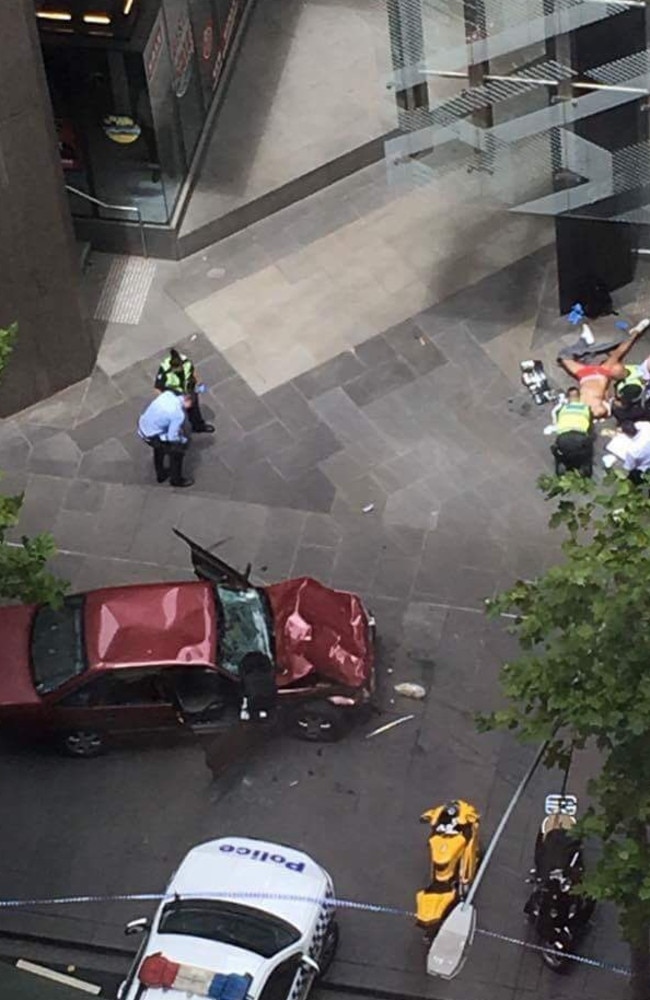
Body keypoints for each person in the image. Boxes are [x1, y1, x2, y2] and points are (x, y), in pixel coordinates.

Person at [557, 318, 650, 418]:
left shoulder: (579, 407)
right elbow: (606, 410)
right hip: (600, 374)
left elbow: (573, 394)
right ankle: (636, 331)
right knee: (618, 352)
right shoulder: (597, 410)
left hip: (585, 376)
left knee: (563, 357)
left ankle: (584, 342)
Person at [137, 390, 194, 487]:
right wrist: (182, 440)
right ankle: (176, 480)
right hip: (153, 436)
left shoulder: (167, 395)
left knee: (159, 451)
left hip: (143, 427)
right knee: (177, 452)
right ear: (188, 401)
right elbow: (172, 437)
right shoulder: (178, 414)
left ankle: (161, 474)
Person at [154, 348, 215, 434]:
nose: (177, 371)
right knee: (176, 415)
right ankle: (174, 432)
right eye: (175, 370)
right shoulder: (165, 370)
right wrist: (166, 402)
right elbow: (157, 388)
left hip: (188, 389)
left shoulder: (186, 362)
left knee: (194, 409)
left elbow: (192, 371)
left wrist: (198, 382)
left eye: (179, 368)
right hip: (175, 395)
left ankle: (198, 426)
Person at [549, 387, 594, 477]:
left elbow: (556, 422)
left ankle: (560, 462)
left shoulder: (562, 409)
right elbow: (590, 425)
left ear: (568, 398)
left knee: (558, 450)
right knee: (588, 448)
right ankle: (585, 465)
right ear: (579, 397)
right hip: (580, 437)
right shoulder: (586, 408)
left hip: (563, 438)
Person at [618, 420, 650, 484]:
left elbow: (629, 467)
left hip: (646, 469)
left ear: (627, 434)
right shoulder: (647, 426)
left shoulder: (632, 450)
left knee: (631, 477)